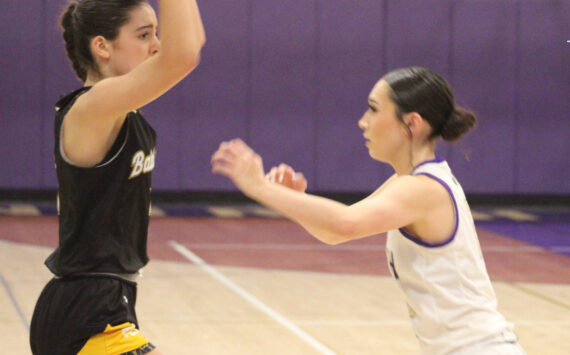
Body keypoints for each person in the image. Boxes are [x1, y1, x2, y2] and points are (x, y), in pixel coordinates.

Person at [211, 67, 526, 355]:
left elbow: (343, 225)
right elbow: (332, 232)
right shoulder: (406, 182)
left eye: (374, 109)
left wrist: (259, 188)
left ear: (411, 123)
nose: (363, 121)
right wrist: (291, 198)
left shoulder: (422, 188)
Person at [30, 0, 205, 354]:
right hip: (88, 309)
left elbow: (192, 43)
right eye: (144, 35)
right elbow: (182, 54)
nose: (157, 44)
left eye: (156, 32)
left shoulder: (119, 112)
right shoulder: (92, 107)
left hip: (103, 303)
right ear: (102, 46)